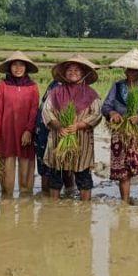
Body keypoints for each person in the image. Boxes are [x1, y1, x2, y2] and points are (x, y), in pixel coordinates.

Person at [41, 55, 103, 201]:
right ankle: (54, 208)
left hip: (82, 142)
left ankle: (85, 209)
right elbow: (46, 112)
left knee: (83, 177)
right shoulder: (55, 93)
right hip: (59, 139)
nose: (72, 72)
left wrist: (79, 125)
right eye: (69, 70)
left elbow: (97, 114)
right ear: (64, 73)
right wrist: (58, 126)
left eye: (76, 70)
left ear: (83, 73)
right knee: (56, 176)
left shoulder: (91, 94)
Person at [102, 48, 138, 202]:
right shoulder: (118, 86)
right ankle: (125, 203)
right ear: (125, 70)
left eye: (135, 69)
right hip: (121, 131)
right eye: (128, 69)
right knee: (123, 171)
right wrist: (112, 114)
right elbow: (105, 106)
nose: (131, 72)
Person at [0, 51, 40, 197]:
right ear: (9, 68)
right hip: (7, 132)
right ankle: (6, 200)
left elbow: (34, 111)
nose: (18, 68)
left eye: (21, 65)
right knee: (6, 166)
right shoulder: (1, 86)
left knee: (26, 166)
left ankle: (25, 199)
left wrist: (28, 131)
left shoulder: (32, 87)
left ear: (26, 68)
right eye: (14, 65)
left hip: (26, 133)